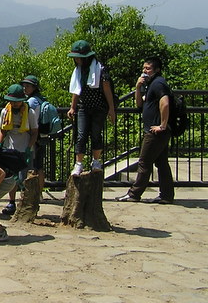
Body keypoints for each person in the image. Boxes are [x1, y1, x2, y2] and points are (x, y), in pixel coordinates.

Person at [117, 57, 175, 204]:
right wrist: (138, 87)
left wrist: (162, 125)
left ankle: (134, 194)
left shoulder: (158, 83)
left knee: (144, 162)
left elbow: (165, 103)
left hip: (155, 132)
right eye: (144, 68)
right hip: (156, 130)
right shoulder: (151, 84)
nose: (144, 71)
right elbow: (139, 104)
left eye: (148, 69)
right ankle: (167, 195)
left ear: (157, 70)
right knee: (161, 163)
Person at [67, 40, 116, 176]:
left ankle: (96, 161)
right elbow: (77, 90)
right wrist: (72, 107)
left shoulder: (100, 69)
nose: (77, 60)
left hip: (98, 107)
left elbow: (107, 90)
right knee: (81, 135)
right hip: (83, 107)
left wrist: (111, 109)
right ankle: (79, 164)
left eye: (79, 57)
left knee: (95, 134)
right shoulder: (78, 71)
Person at [0, 84, 38, 216]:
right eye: (12, 101)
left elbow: (34, 132)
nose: (14, 104)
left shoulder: (29, 112)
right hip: (10, 147)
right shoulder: (5, 112)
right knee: (12, 177)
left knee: (26, 177)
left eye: (16, 101)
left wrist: (29, 148)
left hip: (25, 147)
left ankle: (27, 202)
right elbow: (2, 129)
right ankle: (12, 202)